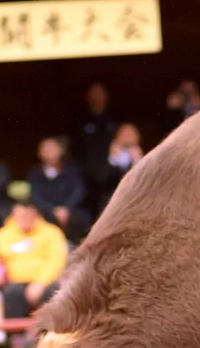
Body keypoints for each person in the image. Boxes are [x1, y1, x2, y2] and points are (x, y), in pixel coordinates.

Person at [0, 200, 68, 320]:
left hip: (45, 281)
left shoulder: (52, 233)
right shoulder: (2, 235)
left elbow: (56, 261)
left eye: (27, 216)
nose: (23, 219)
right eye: (19, 216)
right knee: (12, 292)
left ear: (35, 215)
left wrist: (40, 283)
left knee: (53, 292)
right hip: (14, 282)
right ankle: (16, 335)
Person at [28, 137, 90, 244]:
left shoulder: (72, 170)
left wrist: (66, 208)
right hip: (47, 211)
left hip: (71, 210)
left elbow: (78, 191)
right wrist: (53, 210)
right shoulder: (35, 173)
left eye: (53, 148)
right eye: (45, 149)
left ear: (61, 150)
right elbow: (36, 196)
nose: (49, 152)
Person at [71, 82, 119, 219]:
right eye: (94, 93)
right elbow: (76, 150)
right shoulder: (80, 120)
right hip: (88, 177)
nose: (98, 97)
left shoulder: (114, 118)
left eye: (100, 93)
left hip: (112, 176)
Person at [97, 123, 145, 214]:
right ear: (117, 136)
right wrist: (113, 159)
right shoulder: (111, 154)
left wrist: (137, 161)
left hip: (134, 200)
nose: (127, 137)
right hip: (112, 201)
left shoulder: (141, 156)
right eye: (124, 133)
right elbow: (102, 179)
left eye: (131, 134)